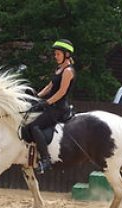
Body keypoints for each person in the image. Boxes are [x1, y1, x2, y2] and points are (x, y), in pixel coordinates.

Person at [28, 39, 76, 174]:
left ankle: (46, 160)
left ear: (66, 54)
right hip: (52, 105)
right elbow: (50, 86)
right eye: (55, 54)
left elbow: (61, 92)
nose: (55, 56)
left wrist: (47, 102)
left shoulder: (68, 71)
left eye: (58, 54)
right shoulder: (59, 69)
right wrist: (37, 97)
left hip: (59, 108)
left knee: (34, 126)